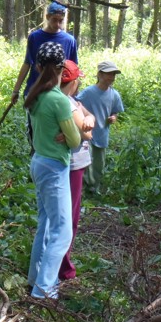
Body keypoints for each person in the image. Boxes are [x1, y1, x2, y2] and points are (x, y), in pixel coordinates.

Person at [25, 43, 82, 299]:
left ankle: (35, 278)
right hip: (54, 165)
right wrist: (69, 133)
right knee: (62, 229)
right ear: (61, 68)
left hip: (38, 161)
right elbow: (75, 141)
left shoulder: (36, 96)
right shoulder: (58, 99)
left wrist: (65, 133)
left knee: (46, 223)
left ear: (37, 67)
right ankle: (44, 289)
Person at [58, 60, 94, 281]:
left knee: (68, 214)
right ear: (73, 80)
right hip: (72, 166)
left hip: (74, 164)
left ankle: (63, 264)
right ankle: (64, 267)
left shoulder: (71, 100)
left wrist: (88, 118)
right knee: (68, 216)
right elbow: (88, 134)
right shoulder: (68, 104)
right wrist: (86, 125)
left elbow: (90, 117)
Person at [11, 1, 78, 106]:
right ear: (47, 17)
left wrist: (74, 94)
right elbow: (28, 63)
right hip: (35, 90)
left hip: (59, 93)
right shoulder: (35, 37)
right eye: (54, 20)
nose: (57, 24)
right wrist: (16, 89)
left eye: (60, 21)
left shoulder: (69, 40)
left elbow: (73, 68)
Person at [76, 61, 125, 195]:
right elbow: (76, 104)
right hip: (87, 133)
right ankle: (85, 188)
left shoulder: (114, 95)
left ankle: (94, 189)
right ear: (99, 74)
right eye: (108, 74)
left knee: (99, 164)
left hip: (102, 133)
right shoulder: (88, 92)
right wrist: (84, 117)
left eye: (113, 74)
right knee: (86, 162)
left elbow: (115, 112)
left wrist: (113, 117)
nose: (111, 77)